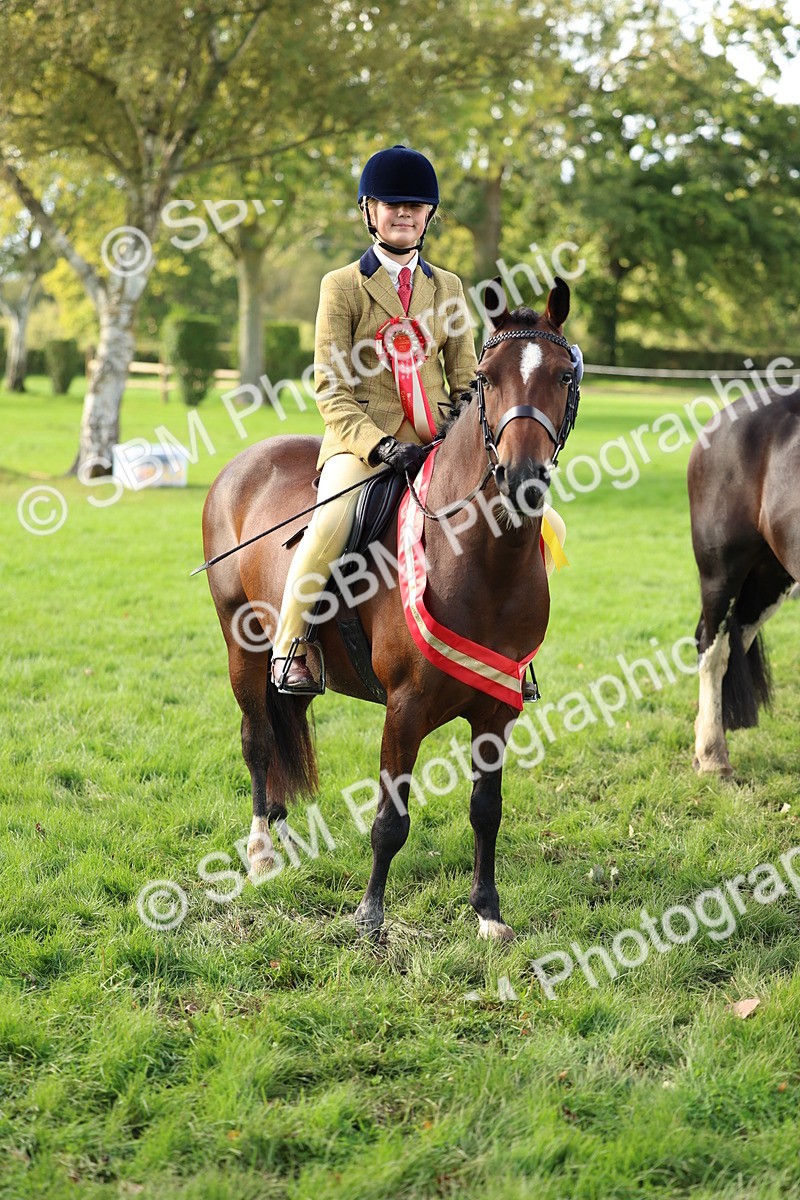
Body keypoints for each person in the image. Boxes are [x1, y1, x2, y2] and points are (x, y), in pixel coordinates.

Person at [271, 145, 479, 693]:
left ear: (429, 214)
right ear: (370, 210)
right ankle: (292, 645)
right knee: (329, 526)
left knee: (529, 522)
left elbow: (466, 381)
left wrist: (461, 436)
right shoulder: (341, 286)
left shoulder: (449, 288)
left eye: (415, 205)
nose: (404, 213)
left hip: (439, 443)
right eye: (392, 204)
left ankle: (513, 654)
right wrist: (380, 446)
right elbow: (331, 387)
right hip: (364, 447)